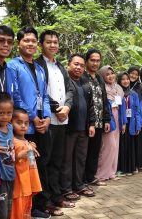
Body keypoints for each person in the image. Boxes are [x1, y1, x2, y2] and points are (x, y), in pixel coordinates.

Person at [8, 26, 51, 219]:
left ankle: (38, 205)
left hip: (42, 124)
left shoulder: (40, 69)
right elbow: (15, 96)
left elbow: (45, 96)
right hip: (26, 126)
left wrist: (48, 117)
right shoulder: (13, 66)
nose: (31, 44)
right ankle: (28, 208)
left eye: (34, 41)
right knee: (26, 167)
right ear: (19, 43)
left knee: (41, 165)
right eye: (26, 40)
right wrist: (33, 117)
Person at [34, 30, 75, 215]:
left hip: (62, 121)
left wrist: (66, 107)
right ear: (41, 44)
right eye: (49, 42)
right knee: (44, 161)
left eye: (55, 42)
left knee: (58, 161)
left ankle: (57, 197)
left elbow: (70, 90)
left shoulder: (60, 66)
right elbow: (39, 91)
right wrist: (57, 108)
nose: (53, 45)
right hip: (47, 120)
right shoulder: (37, 65)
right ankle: (45, 201)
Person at [60, 54, 96, 200]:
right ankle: (66, 189)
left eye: (81, 65)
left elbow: (91, 106)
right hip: (69, 128)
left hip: (84, 129)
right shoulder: (64, 81)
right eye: (75, 64)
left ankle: (79, 185)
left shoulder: (85, 83)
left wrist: (92, 124)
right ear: (69, 64)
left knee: (80, 159)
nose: (78, 68)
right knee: (67, 160)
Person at [83, 49, 111, 186]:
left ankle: (91, 177)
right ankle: (81, 180)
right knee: (84, 152)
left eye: (97, 60)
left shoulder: (99, 78)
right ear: (86, 60)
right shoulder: (82, 76)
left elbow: (104, 99)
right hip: (87, 122)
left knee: (94, 151)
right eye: (92, 60)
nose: (95, 63)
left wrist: (107, 119)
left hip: (100, 121)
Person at [11, 108, 42, 219]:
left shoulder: (26, 141)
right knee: (17, 213)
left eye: (26, 123)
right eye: (19, 123)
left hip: (28, 183)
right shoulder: (12, 141)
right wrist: (19, 155)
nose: (23, 126)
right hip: (19, 186)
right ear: (11, 123)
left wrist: (29, 146)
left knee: (26, 212)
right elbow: (7, 161)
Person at [95, 66, 124, 181]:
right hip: (108, 117)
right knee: (108, 146)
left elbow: (121, 104)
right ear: (102, 76)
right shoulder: (101, 88)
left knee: (115, 145)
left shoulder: (118, 88)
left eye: (112, 73)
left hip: (117, 116)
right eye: (107, 74)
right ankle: (101, 174)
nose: (110, 76)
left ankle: (111, 172)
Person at [116, 72, 141, 176]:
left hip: (132, 122)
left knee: (130, 145)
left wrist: (138, 125)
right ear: (119, 81)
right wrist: (122, 122)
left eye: (127, 79)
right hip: (121, 122)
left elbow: (137, 110)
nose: (126, 81)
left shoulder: (133, 94)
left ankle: (130, 167)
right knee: (121, 145)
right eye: (123, 79)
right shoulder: (117, 94)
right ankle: (121, 168)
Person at [128, 66, 142, 171]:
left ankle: (138, 164)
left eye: (136, 74)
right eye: (131, 73)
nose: (133, 76)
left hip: (138, 118)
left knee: (138, 142)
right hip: (126, 119)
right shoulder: (122, 85)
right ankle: (129, 165)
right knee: (128, 143)